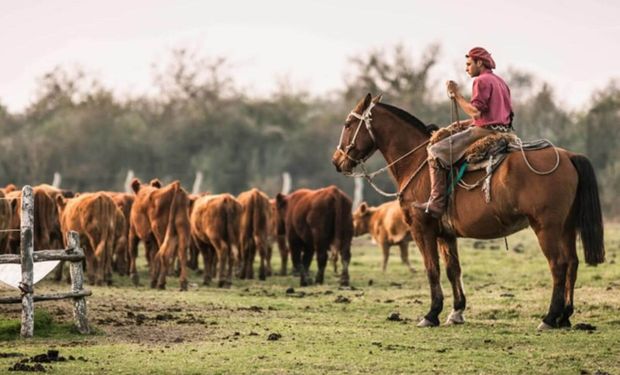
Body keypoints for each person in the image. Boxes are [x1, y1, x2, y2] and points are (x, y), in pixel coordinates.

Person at [413, 47, 514, 218]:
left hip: (485, 133)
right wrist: (463, 124)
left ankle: (436, 203)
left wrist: (456, 94)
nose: (466, 68)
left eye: (469, 64)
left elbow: (476, 112)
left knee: (435, 151)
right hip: (504, 131)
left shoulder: (481, 81)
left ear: (479, 63)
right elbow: (493, 115)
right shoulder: (500, 81)